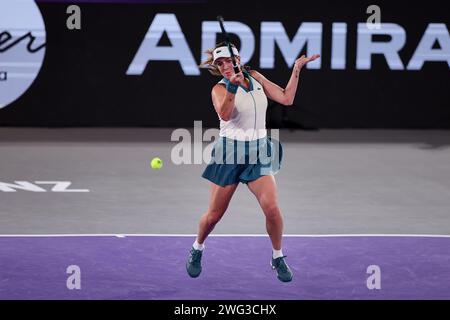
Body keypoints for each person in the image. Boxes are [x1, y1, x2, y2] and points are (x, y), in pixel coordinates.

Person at [186, 42, 320, 282]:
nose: (225, 66)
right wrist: (231, 86)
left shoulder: (256, 76)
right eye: (220, 63)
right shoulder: (219, 88)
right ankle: (197, 248)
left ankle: (277, 256)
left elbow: (286, 98)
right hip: (229, 154)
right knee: (214, 216)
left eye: (228, 61)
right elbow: (225, 114)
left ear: (238, 59)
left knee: (272, 209)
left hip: (258, 151)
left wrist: (297, 68)